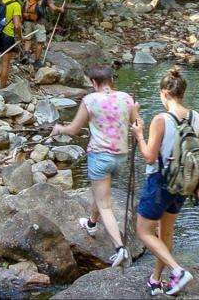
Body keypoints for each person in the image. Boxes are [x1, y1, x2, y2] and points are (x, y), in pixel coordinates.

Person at [130, 67, 199, 296]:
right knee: (166, 233)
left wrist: (139, 135)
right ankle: (156, 280)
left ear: (165, 93)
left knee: (143, 232)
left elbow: (149, 156)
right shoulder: (196, 118)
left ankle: (177, 271)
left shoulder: (160, 120)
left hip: (160, 182)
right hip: (183, 183)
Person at [50, 66, 136, 268]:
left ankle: (119, 248)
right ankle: (91, 223)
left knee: (105, 203)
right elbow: (136, 125)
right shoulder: (126, 98)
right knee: (101, 193)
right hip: (120, 157)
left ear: (94, 82)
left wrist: (58, 128)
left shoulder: (90, 100)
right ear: (110, 81)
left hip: (100, 157)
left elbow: (73, 129)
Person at [22, 0, 65, 66]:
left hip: (28, 18)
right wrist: (60, 9)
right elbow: (53, 8)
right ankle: (37, 62)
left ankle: (26, 55)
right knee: (40, 41)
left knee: (28, 38)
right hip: (39, 21)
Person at [0, 0, 23, 88]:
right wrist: (20, 36)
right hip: (7, 36)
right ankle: (2, 88)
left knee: (1, 58)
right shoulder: (15, 5)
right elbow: (17, 25)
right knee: (6, 63)